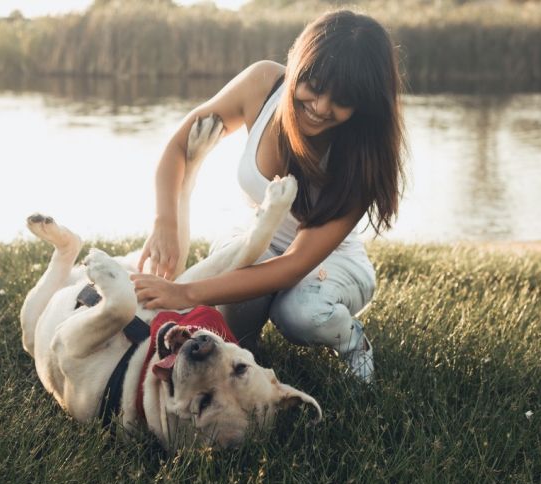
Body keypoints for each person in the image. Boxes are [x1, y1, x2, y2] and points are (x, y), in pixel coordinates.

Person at [131, 10, 406, 383]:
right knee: (234, 341)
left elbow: (293, 265)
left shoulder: (363, 157)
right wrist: (164, 220)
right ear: (298, 65)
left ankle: (354, 342)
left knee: (299, 314)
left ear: (365, 103)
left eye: (342, 99)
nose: (322, 106)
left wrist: (185, 293)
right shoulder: (263, 84)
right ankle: (251, 346)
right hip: (255, 240)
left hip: (329, 264)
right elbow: (180, 144)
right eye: (314, 85)